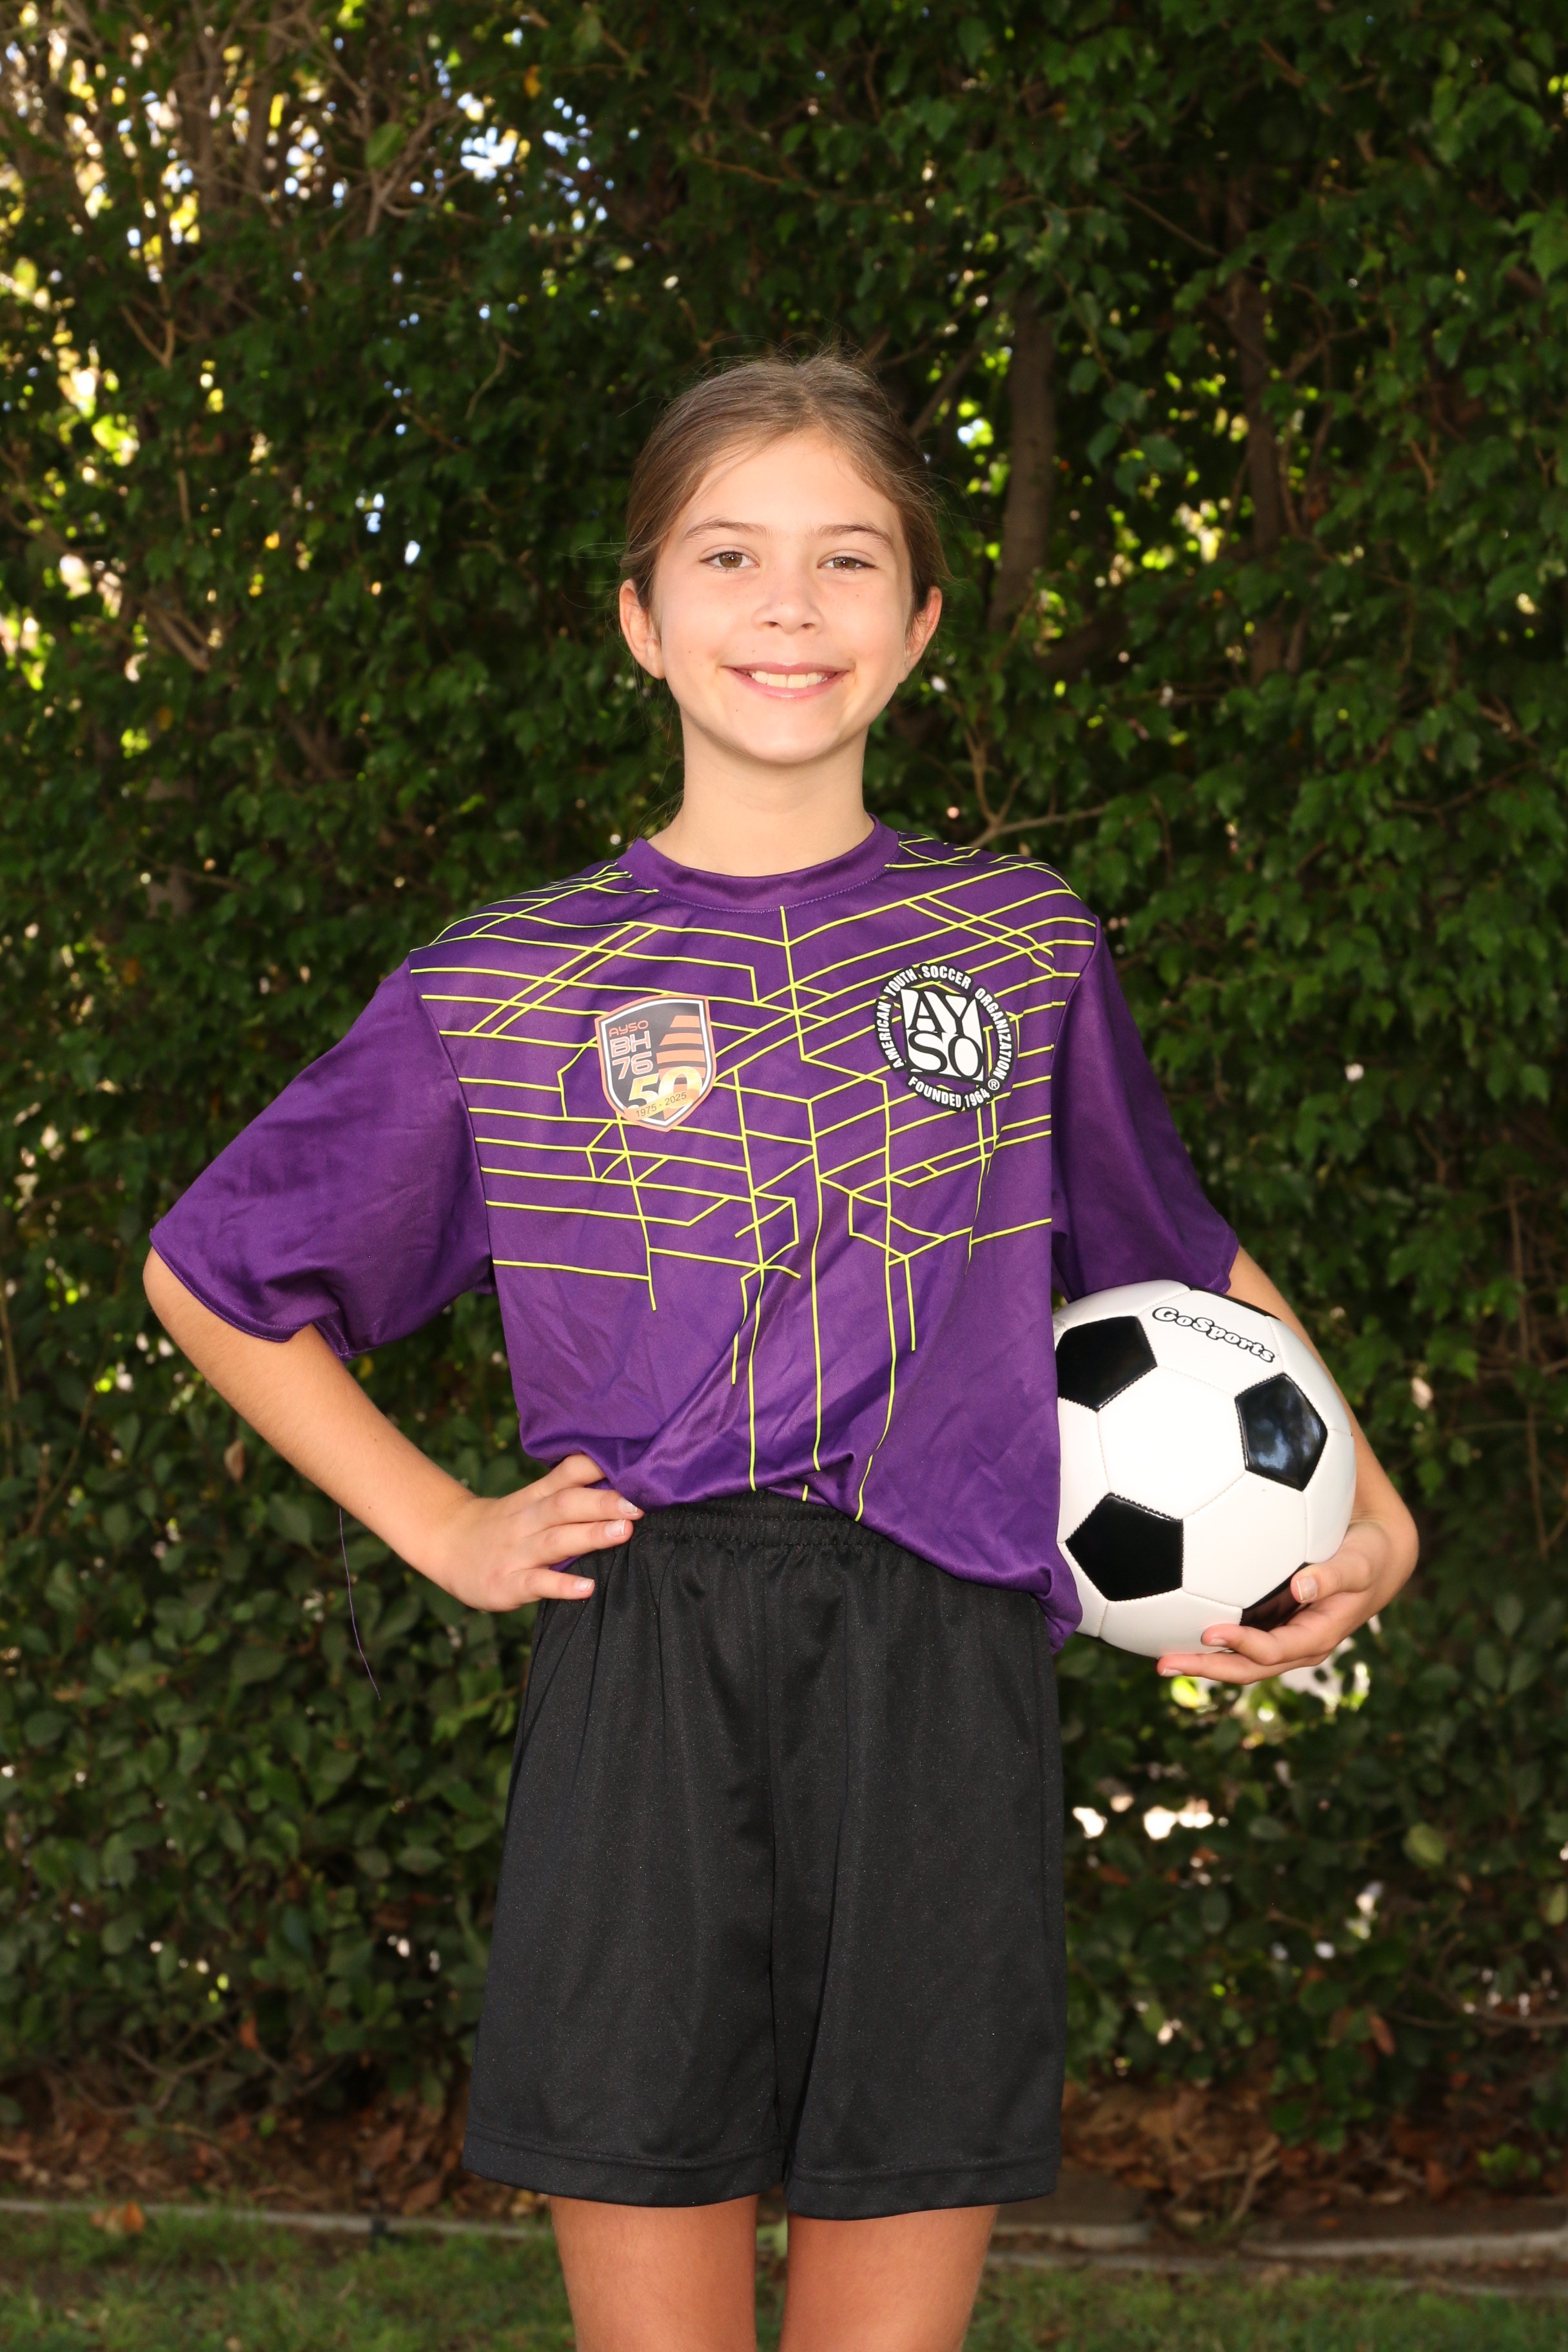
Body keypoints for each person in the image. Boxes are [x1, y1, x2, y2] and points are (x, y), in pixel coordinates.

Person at [144, 354, 1418, 2352]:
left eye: (849, 559)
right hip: (648, 1662)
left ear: (919, 622)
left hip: (944, 1662)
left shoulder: (1023, 946)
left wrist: (1373, 1511)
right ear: (642, 617)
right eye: (729, 557)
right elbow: (218, 1267)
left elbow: (1178, 1255)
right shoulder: (509, 982)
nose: (791, 606)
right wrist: (445, 1527)